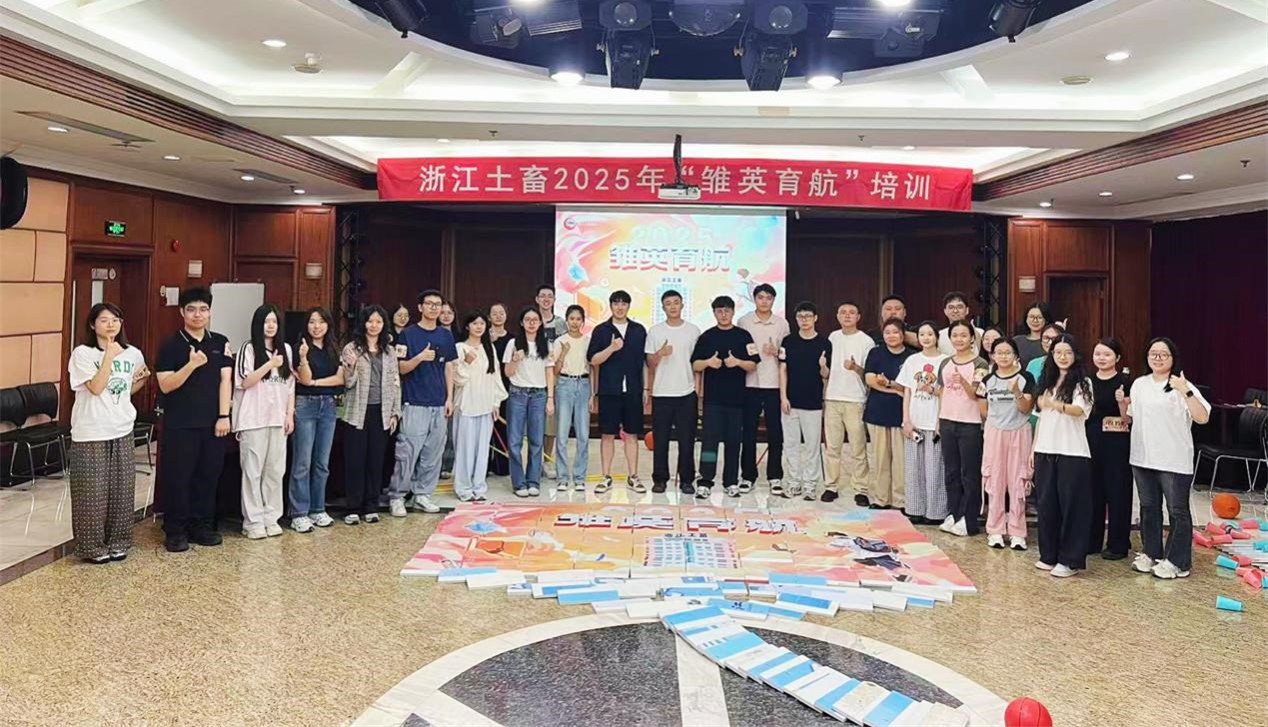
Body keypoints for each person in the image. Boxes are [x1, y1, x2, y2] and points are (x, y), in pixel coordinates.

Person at [67, 303, 149, 563]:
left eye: (116, 319)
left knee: (121, 492)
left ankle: (119, 542)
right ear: (93, 325)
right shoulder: (82, 353)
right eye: (104, 320)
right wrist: (109, 357)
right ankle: (92, 547)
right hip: (91, 431)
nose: (111, 324)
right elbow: (95, 387)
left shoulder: (133, 353)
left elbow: (135, 381)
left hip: (122, 428)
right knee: (91, 494)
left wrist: (132, 386)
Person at [1125, 337, 1210, 579]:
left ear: (1173, 358)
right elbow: (1131, 416)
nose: (1158, 358)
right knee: (1149, 508)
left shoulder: (1182, 385)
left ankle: (1177, 561)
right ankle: (1151, 553)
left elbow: (1202, 417)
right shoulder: (1139, 384)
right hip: (1142, 457)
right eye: (1153, 353)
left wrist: (1186, 391)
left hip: (1173, 459)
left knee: (1177, 511)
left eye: (1164, 354)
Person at [155, 287, 232, 553]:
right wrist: (191, 365)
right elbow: (165, 385)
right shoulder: (170, 345)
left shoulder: (220, 342)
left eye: (203, 309)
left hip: (213, 423)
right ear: (182, 312)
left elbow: (225, 381)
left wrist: (224, 415)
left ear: (210, 312)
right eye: (191, 309)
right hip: (180, 424)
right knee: (179, 478)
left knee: (208, 476)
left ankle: (202, 526)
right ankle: (176, 530)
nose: (197, 315)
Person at [1031, 334, 1093, 577]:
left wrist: (1055, 404)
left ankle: (1070, 560)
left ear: (1075, 355)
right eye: (1058, 352)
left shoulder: (1083, 382)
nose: (1062, 357)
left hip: (1072, 452)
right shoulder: (1047, 381)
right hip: (1045, 450)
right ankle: (1049, 555)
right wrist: (1033, 449)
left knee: (1072, 507)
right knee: (1047, 505)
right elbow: (1040, 419)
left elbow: (1080, 410)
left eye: (1067, 352)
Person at [390, 289, 456, 516]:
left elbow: (449, 367)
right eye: (429, 304)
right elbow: (400, 368)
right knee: (407, 453)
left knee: (433, 453)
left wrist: (449, 398)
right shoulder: (407, 334)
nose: (434, 308)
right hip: (414, 402)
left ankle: (423, 494)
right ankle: (397, 496)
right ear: (420, 307)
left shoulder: (446, 335)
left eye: (438, 304)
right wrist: (419, 358)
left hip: (438, 403)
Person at [233, 304, 295, 540]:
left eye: (274, 322)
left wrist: (289, 415)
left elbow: (290, 385)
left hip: (278, 420)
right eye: (266, 321)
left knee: (275, 471)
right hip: (253, 419)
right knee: (252, 472)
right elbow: (245, 381)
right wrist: (269, 364)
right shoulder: (248, 349)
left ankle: (271, 517)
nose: (270, 326)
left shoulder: (286, 350)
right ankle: (253, 521)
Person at [692, 296, 759, 498]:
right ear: (714, 313)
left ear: (733, 312)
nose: (723, 314)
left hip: (737, 400)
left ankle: (731, 481)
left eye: (727, 310)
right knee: (709, 442)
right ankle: (705, 481)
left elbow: (753, 364)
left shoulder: (743, 336)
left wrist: (737, 362)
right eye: (719, 311)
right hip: (712, 400)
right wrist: (708, 363)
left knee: (733, 442)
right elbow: (695, 364)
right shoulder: (707, 337)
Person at [340, 306, 401, 525]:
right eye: (370, 321)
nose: (374, 326)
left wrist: (395, 412)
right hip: (357, 411)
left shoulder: (390, 351)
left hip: (381, 412)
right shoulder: (352, 348)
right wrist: (352, 366)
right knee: (355, 461)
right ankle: (353, 507)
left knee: (376, 460)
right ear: (363, 323)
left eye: (378, 322)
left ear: (384, 325)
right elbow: (347, 382)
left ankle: (371, 506)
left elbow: (396, 383)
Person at [586, 290, 648, 493]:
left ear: (628, 306)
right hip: (609, 390)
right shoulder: (601, 330)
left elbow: (644, 362)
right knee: (607, 434)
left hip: (633, 390)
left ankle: (633, 476)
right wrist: (611, 348)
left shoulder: (639, 330)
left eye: (623, 304)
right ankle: (605, 476)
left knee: (632, 434)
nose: (620, 307)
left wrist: (646, 388)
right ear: (611, 305)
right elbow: (593, 360)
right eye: (616, 303)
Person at [978, 337, 1035, 550]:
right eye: (999, 352)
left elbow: (1026, 408)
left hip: (1019, 432)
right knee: (995, 480)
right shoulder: (986, 380)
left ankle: (1018, 532)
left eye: (1008, 352)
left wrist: (1017, 392)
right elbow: (983, 409)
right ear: (992, 356)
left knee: (1018, 481)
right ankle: (995, 530)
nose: (1003, 356)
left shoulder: (1026, 378)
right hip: (995, 432)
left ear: (1016, 356)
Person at [290, 307, 344, 533]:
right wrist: (303, 358)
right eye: (312, 322)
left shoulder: (334, 348)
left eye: (321, 322)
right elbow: (304, 379)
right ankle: (299, 513)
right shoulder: (299, 348)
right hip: (305, 405)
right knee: (302, 462)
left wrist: (315, 383)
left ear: (328, 325)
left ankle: (317, 508)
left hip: (328, 406)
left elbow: (340, 379)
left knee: (322, 463)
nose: (316, 326)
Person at [645, 290, 700, 495]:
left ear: (682, 305)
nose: (673, 306)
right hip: (662, 393)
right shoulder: (655, 331)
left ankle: (687, 480)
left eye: (676, 302)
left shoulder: (693, 331)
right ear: (663, 307)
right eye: (668, 303)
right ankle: (660, 479)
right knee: (660, 440)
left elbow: (698, 364)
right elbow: (650, 363)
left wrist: (698, 391)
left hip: (687, 393)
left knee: (687, 440)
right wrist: (660, 353)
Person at [937, 320, 989, 537]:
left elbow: (976, 394)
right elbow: (942, 392)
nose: (959, 339)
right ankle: (954, 513)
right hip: (947, 421)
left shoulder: (980, 364)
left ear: (972, 338)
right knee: (951, 471)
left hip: (971, 423)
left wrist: (963, 381)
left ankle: (969, 519)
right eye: (955, 335)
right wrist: (938, 419)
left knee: (969, 473)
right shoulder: (945, 363)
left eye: (963, 335)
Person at [736, 283, 788, 494]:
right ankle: (748, 476)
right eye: (760, 297)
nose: (764, 301)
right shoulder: (744, 321)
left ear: (773, 300)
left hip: (774, 384)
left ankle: (775, 476)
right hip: (750, 383)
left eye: (768, 298)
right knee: (748, 432)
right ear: (754, 299)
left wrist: (776, 351)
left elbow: (786, 353)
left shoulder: (781, 324)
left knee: (776, 432)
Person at [822, 301, 875, 505]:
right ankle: (831, 486)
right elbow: (828, 371)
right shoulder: (832, 337)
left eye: (851, 312)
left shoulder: (866, 341)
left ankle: (861, 489)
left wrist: (855, 367)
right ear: (837, 316)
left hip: (855, 400)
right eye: (843, 312)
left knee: (858, 449)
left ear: (858, 317)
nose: (847, 316)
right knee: (832, 447)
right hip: (833, 398)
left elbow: (868, 374)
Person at [778, 301, 832, 499]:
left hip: (813, 402)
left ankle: (810, 484)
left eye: (808, 316)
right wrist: (783, 397)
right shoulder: (788, 341)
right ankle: (794, 482)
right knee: (790, 444)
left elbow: (826, 375)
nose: (804, 320)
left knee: (812, 446)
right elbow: (782, 370)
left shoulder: (824, 343)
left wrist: (822, 366)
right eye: (801, 317)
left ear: (815, 318)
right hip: (790, 402)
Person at [1087, 337, 1133, 560]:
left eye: (1107, 354)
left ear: (1117, 357)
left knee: (1118, 492)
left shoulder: (1125, 381)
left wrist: (1122, 402)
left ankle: (1118, 544)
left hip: (1117, 443)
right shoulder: (1086, 381)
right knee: (1092, 492)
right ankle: (1092, 541)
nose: (1101, 358)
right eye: (1098, 354)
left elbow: (1129, 418)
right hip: (1091, 440)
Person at [454, 310, 507, 502]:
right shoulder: (460, 347)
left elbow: (495, 376)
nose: (478, 327)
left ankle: (479, 486)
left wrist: (496, 402)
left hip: (485, 405)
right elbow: (457, 379)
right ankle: (463, 488)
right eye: (475, 323)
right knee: (465, 449)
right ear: (467, 326)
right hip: (466, 404)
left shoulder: (489, 348)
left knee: (482, 448)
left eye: (482, 323)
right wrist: (466, 363)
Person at [899, 322, 948, 525]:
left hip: (934, 421)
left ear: (936, 337)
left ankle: (935, 512)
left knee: (935, 468)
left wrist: (939, 422)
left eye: (930, 334)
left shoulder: (945, 361)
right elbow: (907, 391)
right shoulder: (912, 360)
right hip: (915, 421)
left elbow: (946, 393)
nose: (926, 338)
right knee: (913, 468)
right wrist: (906, 420)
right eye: (922, 334)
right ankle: (915, 509)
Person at [863, 319, 914, 510]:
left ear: (903, 334)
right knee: (880, 458)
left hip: (902, 414)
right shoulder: (875, 353)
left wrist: (890, 384)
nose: (891, 336)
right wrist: (895, 390)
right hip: (877, 412)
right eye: (887, 332)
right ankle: (881, 499)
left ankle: (900, 500)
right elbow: (871, 380)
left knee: (901, 460)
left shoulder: (911, 357)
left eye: (895, 332)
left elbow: (910, 386)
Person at [504, 307, 554, 496]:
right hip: (517, 393)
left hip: (539, 395)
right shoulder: (513, 343)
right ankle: (519, 483)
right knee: (514, 440)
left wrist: (550, 399)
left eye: (535, 320)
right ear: (521, 322)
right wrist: (515, 360)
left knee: (536, 440)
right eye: (528, 319)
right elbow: (507, 372)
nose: (531, 323)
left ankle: (533, 481)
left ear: (540, 323)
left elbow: (549, 372)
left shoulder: (546, 345)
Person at [553, 304, 592, 492]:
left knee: (583, 434)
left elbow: (592, 368)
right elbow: (554, 370)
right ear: (566, 320)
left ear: (583, 321)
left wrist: (593, 394)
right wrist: (563, 353)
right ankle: (562, 477)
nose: (575, 322)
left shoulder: (588, 341)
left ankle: (579, 478)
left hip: (583, 384)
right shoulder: (560, 341)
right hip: (564, 384)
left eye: (578, 319)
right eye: (571, 319)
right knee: (562, 434)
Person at [537, 284, 568, 481]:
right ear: (537, 299)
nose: (546, 299)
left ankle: (547, 460)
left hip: (554, 377)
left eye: (550, 296)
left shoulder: (560, 323)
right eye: (543, 296)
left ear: (554, 300)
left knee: (551, 423)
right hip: (533, 375)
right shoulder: (531, 319)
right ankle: (534, 460)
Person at [488, 302, 512, 477]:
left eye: (501, 313)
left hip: (505, 388)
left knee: (503, 427)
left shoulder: (512, 339)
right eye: (494, 313)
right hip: (485, 387)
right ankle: (484, 466)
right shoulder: (482, 337)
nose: (498, 316)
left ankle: (502, 466)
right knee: (485, 428)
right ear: (489, 317)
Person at [439, 300, 458, 477]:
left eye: (449, 312)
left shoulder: (460, 336)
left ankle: (447, 465)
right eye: (442, 312)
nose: (446, 316)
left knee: (451, 429)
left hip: (457, 387)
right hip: (438, 384)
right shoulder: (433, 334)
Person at [937, 291, 985, 356]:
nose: (955, 311)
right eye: (951, 307)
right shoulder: (939, 336)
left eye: (959, 307)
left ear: (967, 310)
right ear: (945, 311)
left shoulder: (980, 333)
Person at [1012, 303, 1052, 367]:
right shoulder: (1017, 341)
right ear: (1026, 319)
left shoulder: (1050, 341)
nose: (1035, 320)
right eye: (1031, 317)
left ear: (1046, 320)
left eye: (1039, 317)